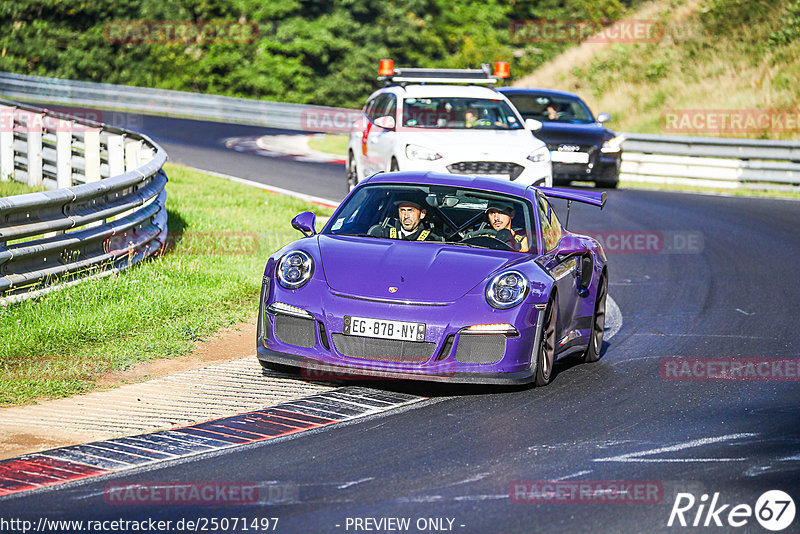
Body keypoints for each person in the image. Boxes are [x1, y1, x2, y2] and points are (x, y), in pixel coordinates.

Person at [368, 191, 441, 241]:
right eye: (402, 210)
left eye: (411, 210)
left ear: (422, 214)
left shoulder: (431, 239)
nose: (406, 216)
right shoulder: (383, 235)